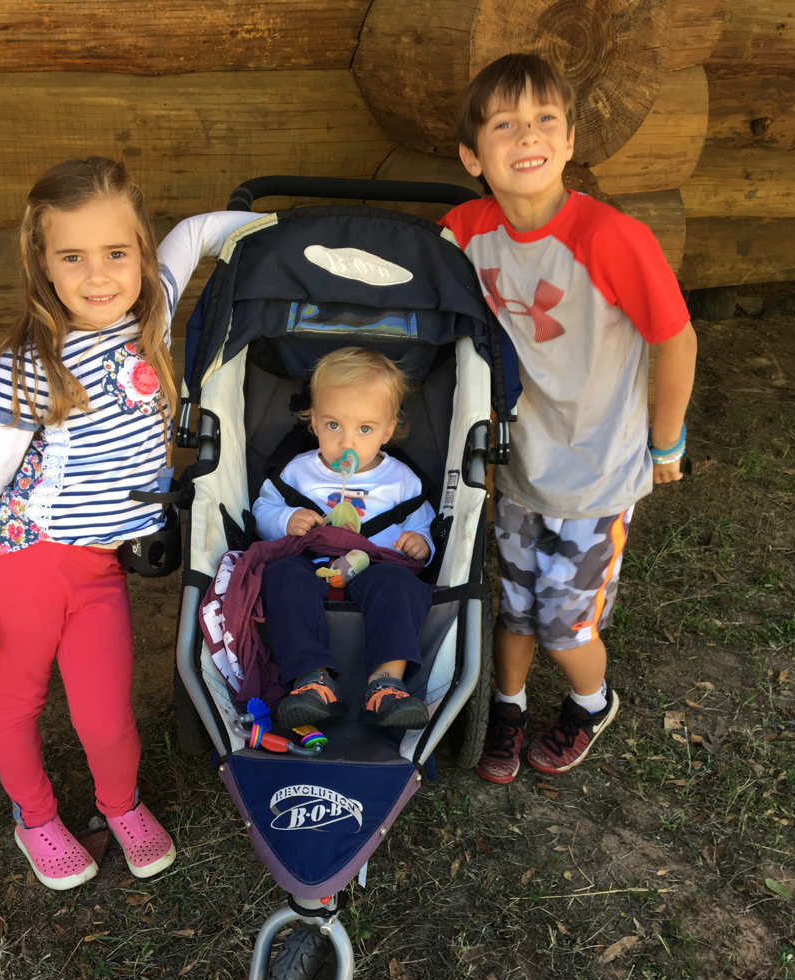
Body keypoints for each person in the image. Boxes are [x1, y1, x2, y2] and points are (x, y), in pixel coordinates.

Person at [0, 157, 261, 889]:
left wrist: (284, 233)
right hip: (25, 561)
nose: (98, 276)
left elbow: (197, 233)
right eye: (72, 257)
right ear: (42, 263)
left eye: (116, 252)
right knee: (18, 700)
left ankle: (120, 805)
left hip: (97, 567)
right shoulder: (33, 363)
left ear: (140, 254)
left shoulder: (151, 314)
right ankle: (35, 818)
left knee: (106, 712)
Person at [440, 54, 697, 781]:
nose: (528, 135)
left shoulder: (611, 238)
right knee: (514, 606)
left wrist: (666, 442)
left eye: (545, 119)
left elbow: (676, 338)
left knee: (562, 622)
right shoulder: (462, 232)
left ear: (570, 139)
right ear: (472, 156)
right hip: (517, 463)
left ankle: (591, 702)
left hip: (595, 473)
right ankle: (507, 706)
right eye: (504, 124)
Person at [253, 348, 435, 731]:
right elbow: (264, 509)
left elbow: (423, 525)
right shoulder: (298, 471)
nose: (346, 443)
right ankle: (312, 680)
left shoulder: (402, 480)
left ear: (387, 431)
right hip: (311, 565)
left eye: (365, 429)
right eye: (334, 425)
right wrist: (285, 519)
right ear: (314, 422)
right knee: (280, 576)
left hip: (377, 567)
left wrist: (421, 543)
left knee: (401, 585)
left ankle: (386, 684)